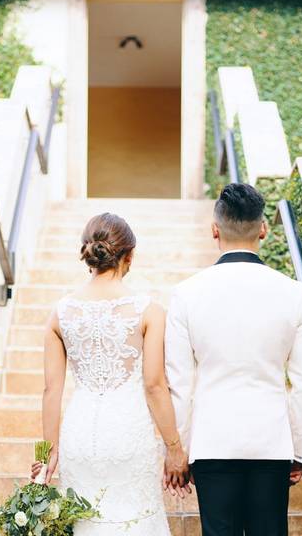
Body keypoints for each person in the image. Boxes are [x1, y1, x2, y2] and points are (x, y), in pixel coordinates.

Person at [164, 183, 302, 536]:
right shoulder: (294, 295)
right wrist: (298, 450)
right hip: (270, 441)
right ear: (263, 229)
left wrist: (179, 448)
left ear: (214, 230)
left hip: (211, 441)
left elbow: (180, 382)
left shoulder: (186, 295)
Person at [31, 212, 189, 535]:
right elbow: (155, 386)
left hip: (79, 436)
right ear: (129, 256)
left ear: (87, 253)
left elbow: (51, 391)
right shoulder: (150, 311)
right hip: (129, 433)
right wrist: (174, 447)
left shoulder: (60, 313)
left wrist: (49, 452)